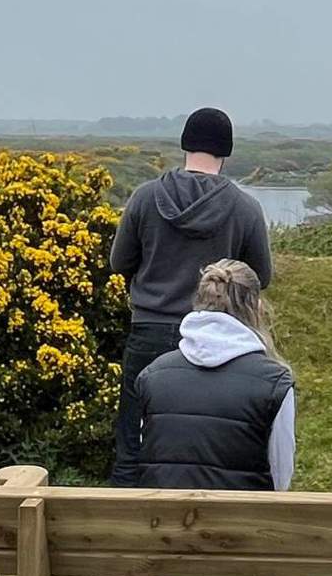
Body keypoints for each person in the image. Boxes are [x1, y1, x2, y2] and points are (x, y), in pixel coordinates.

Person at [133, 259, 297, 576]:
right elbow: (278, 480)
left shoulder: (153, 374)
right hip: (244, 568)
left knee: (182, 508)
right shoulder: (275, 382)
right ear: (254, 310)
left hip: (168, 560)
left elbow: (156, 467)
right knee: (253, 523)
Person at [109, 107, 274, 486]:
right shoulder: (245, 207)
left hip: (148, 331)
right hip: (221, 338)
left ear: (185, 144)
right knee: (210, 446)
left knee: (132, 443)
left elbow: (119, 262)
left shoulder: (144, 197)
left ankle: (123, 527)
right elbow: (260, 277)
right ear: (225, 151)